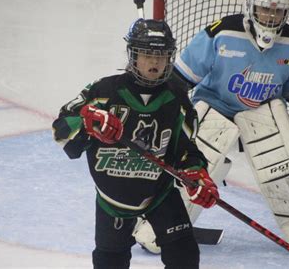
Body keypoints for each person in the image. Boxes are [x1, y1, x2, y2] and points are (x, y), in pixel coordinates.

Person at [134, 0, 289, 254]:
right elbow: (180, 79)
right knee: (191, 169)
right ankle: (158, 229)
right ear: (251, 7)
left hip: (264, 115)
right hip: (214, 108)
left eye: (277, 10)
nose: (270, 16)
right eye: (265, 8)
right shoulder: (221, 33)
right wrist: (170, 115)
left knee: (286, 170)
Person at [51, 17, 219, 269]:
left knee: (184, 257)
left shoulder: (177, 98)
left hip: (159, 193)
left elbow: (186, 150)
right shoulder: (103, 92)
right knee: (110, 261)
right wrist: (89, 123)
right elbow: (61, 128)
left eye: (161, 55)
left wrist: (197, 173)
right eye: (147, 54)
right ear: (133, 55)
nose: (154, 62)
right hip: (112, 199)